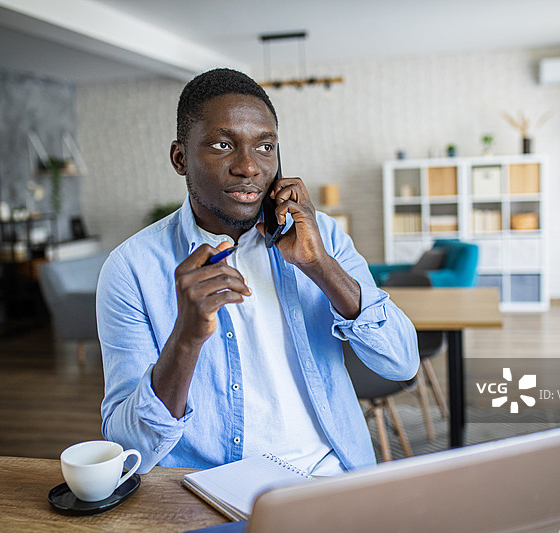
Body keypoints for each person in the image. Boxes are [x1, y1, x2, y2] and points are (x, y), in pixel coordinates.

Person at [97, 68, 419, 475]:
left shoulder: (322, 238)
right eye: (222, 144)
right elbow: (130, 448)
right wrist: (186, 338)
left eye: (265, 147)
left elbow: (402, 363)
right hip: (206, 490)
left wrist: (319, 265)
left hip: (330, 476)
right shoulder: (131, 269)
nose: (248, 167)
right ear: (180, 158)